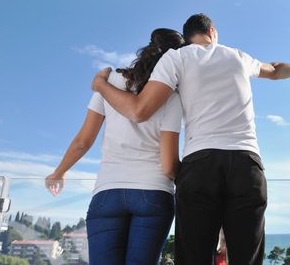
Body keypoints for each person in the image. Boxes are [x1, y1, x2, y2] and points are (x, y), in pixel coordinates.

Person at [91, 13, 290, 265]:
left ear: (188, 38)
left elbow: (139, 111)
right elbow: (276, 69)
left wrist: (101, 85)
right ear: (212, 32)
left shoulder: (177, 57)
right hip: (247, 165)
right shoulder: (237, 56)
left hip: (200, 165)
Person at [45, 28, 185, 265]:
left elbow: (83, 141)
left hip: (107, 193)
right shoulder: (172, 96)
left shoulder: (109, 81)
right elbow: (169, 165)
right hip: (154, 192)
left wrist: (59, 172)